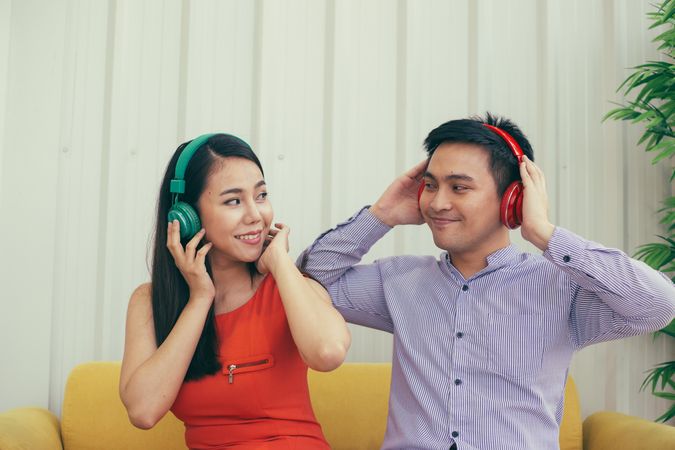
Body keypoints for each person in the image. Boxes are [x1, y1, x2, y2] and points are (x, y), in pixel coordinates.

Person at [298, 113, 675, 450]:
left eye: (458, 187)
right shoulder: (397, 281)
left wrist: (544, 233)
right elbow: (308, 280)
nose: (437, 203)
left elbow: (658, 304)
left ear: (512, 199)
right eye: (430, 185)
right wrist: (380, 216)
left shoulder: (562, 288)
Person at [120, 133, 351, 450]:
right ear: (185, 217)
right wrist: (200, 299)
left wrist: (280, 261)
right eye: (233, 201)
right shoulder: (149, 303)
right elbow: (143, 411)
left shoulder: (290, 288)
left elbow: (328, 353)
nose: (255, 215)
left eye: (261, 195)